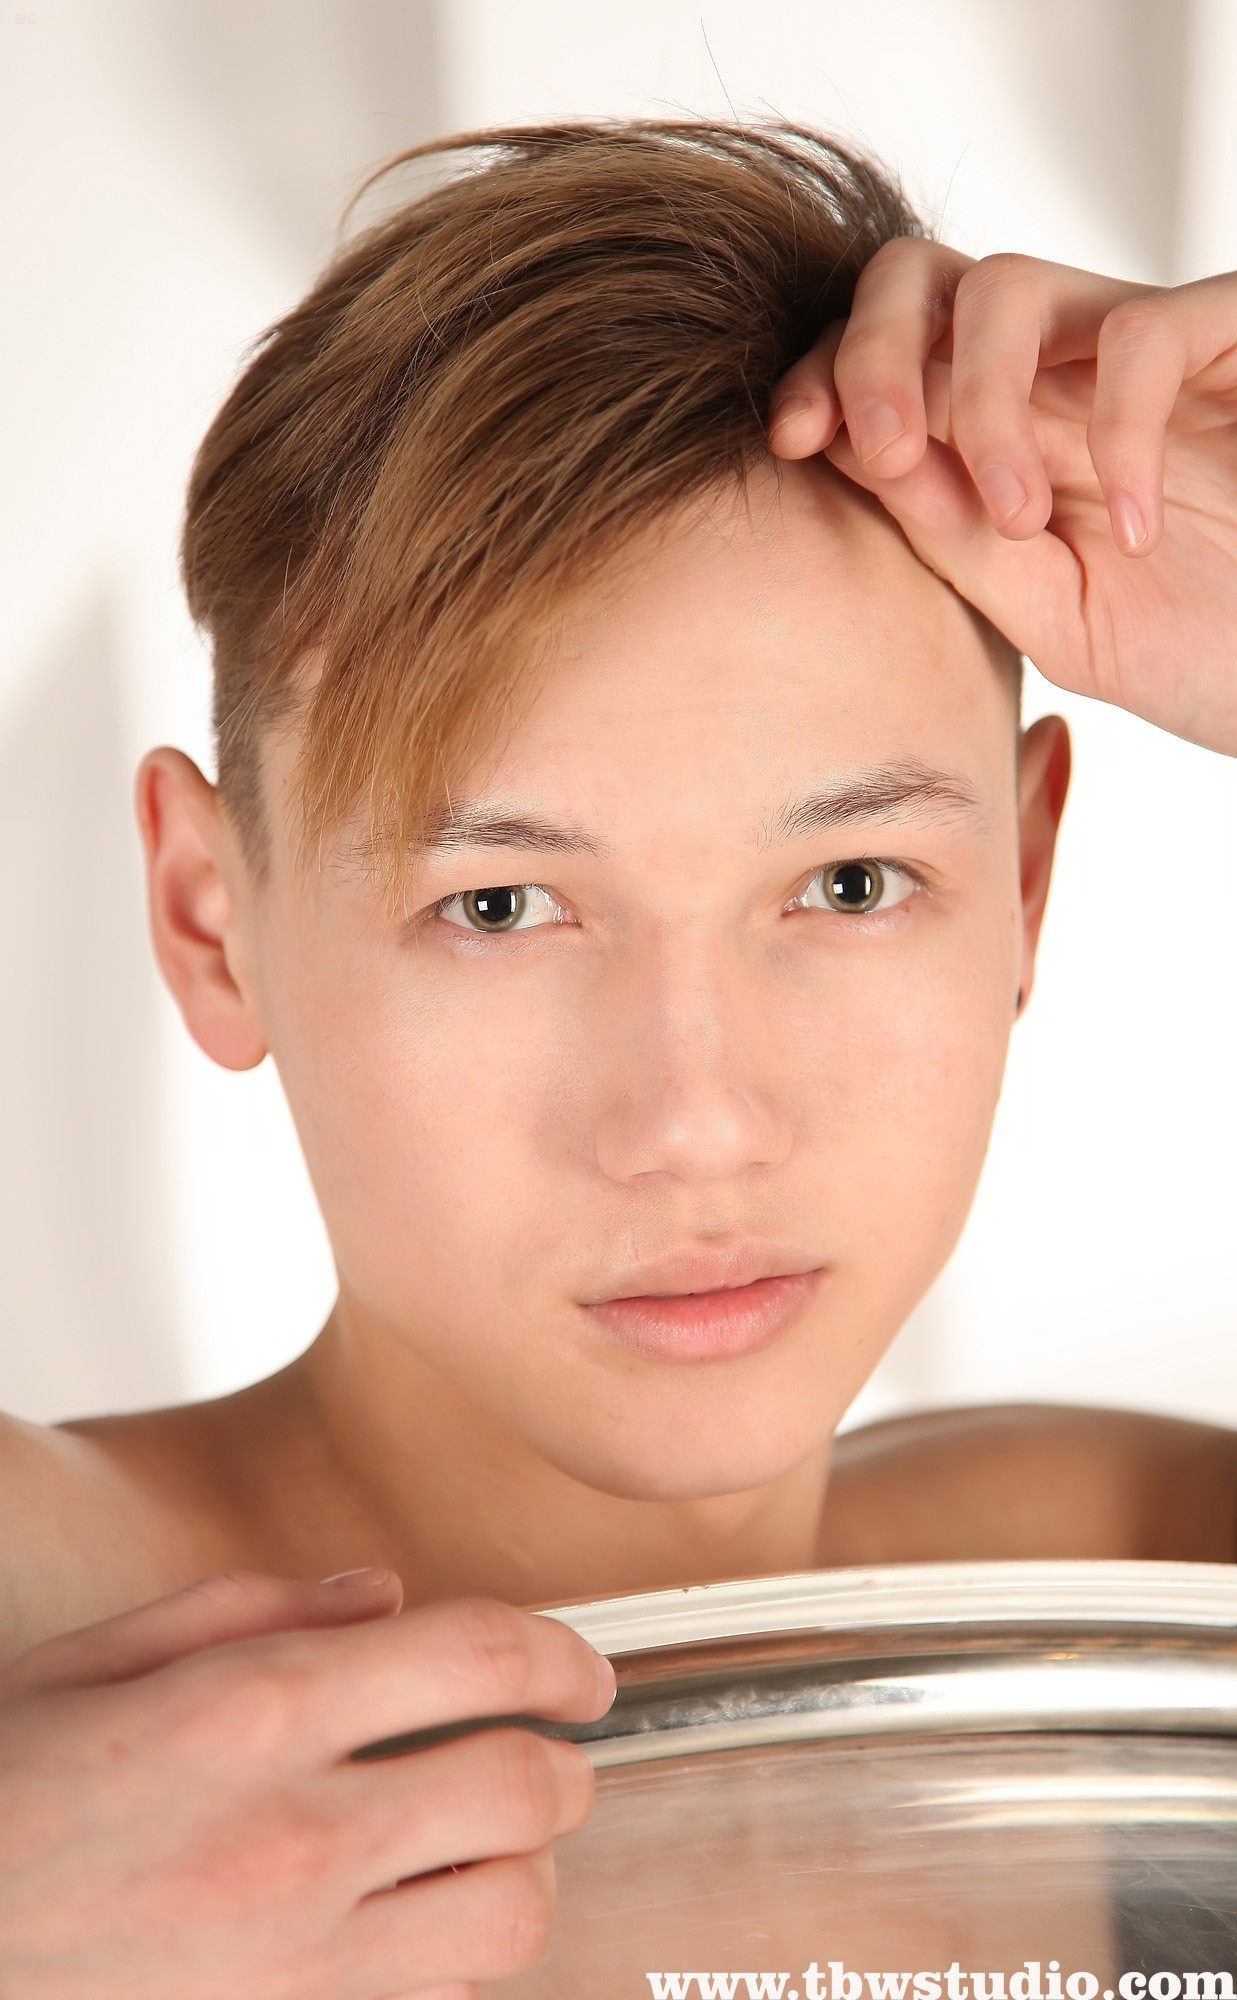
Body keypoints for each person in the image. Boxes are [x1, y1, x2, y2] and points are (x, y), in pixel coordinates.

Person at [0, 118, 1234, 1998]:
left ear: (1027, 877)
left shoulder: (1143, 1593)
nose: (694, 1122)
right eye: (499, 905)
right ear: (207, 916)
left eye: (848, 883)